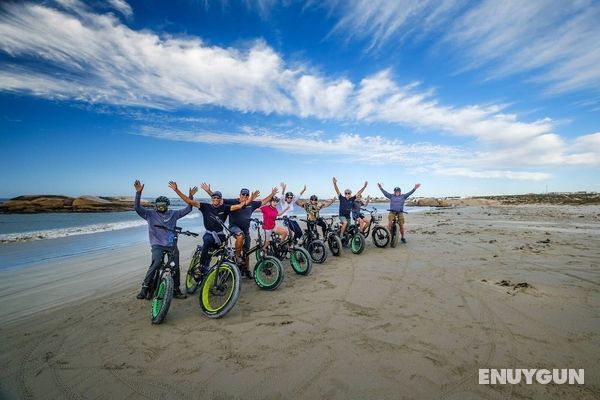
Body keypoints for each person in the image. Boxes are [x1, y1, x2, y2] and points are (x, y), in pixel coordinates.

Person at [168, 181, 257, 277]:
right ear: (211, 199)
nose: (216, 199)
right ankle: (201, 266)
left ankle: (222, 270)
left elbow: (240, 205)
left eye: (218, 198)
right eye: (214, 197)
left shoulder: (225, 208)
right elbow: (189, 202)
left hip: (220, 234)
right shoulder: (205, 206)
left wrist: (250, 199)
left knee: (225, 251)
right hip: (209, 234)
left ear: (220, 200)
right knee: (207, 241)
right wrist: (176, 190)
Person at [134, 179, 194, 300]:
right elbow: (137, 208)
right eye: (158, 205)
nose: (161, 207)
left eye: (163, 205)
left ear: (167, 206)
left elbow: (188, 209)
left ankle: (176, 290)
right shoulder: (149, 214)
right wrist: (138, 193)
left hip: (171, 245)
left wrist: (190, 197)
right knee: (156, 264)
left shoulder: (173, 214)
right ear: (155, 205)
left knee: (175, 267)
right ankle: (144, 288)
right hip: (157, 244)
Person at [201, 183, 278, 272]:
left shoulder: (252, 204)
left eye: (247, 195)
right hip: (234, 227)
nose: (245, 196)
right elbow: (218, 199)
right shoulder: (233, 202)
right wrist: (208, 191)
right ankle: (237, 256)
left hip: (246, 230)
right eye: (243, 194)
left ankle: (246, 270)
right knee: (240, 235)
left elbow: (264, 201)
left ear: (249, 196)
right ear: (240, 195)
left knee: (247, 251)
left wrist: (272, 194)